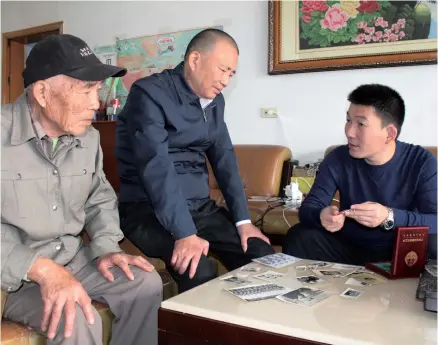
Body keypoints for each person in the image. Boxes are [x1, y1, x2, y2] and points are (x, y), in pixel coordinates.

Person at [1, 34, 163, 345]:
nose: (96, 102)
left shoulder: (88, 138)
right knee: (75, 315)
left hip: (70, 259)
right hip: (12, 277)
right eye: (85, 89)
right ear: (43, 92)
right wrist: (42, 269)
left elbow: (99, 199)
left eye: (98, 89)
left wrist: (106, 247)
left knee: (143, 284)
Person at [115, 28, 275, 293]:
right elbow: (156, 167)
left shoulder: (214, 102)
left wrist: (243, 223)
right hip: (148, 209)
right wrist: (184, 234)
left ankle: (249, 329)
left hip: (200, 208)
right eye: (222, 70)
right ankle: (199, 334)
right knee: (196, 266)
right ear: (195, 60)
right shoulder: (149, 94)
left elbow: (225, 159)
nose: (226, 81)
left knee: (260, 255)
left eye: (231, 74)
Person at [283, 84, 437, 265]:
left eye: (361, 124)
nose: (349, 132)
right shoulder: (338, 158)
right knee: (299, 236)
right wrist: (322, 215)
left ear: (389, 133)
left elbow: (435, 220)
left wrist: (389, 216)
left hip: (401, 252)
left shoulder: (422, 162)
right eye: (348, 120)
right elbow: (310, 207)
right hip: (348, 248)